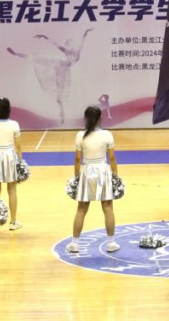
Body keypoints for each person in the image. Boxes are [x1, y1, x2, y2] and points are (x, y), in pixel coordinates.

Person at [66, 106, 120, 254]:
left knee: (81, 209)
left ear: (86, 119)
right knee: (108, 208)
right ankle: (111, 243)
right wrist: (115, 176)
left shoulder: (80, 135)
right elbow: (112, 158)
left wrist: (76, 177)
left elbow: (77, 160)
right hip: (103, 171)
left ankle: (75, 244)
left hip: (87, 172)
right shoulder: (107, 135)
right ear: (100, 118)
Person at [0, 97, 23, 230]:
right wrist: (20, 163)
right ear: (9, 109)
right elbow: (18, 147)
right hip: (10, 157)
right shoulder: (14, 124)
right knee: (12, 190)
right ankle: (13, 222)